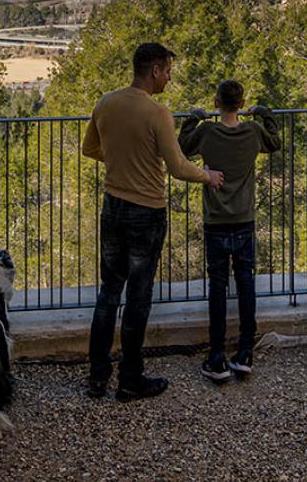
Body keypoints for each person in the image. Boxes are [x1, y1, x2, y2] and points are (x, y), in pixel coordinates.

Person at [82, 42, 224, 401]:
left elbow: (90, 149)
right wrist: (208, 176)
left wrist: (121, 161)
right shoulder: (158, 113)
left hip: (112, 206)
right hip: (146, 212)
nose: (170, 76)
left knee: (109, 293)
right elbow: (177, 167)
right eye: (168, 70)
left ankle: (97, 377)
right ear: (156, 70)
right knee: (139, 298)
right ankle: (131, 380)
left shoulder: (106, 102)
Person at [178, 80, 282, 382]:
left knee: (218, 287)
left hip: (216, 220)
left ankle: (217, 356)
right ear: (241, 103)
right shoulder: (252, 132)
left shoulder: (208, 133)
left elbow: (183, 147)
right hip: (244, 217)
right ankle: (246, 351)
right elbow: (274, 142)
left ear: (216, 102)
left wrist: (192, 118)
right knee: (246, 283)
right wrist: (265, 113)